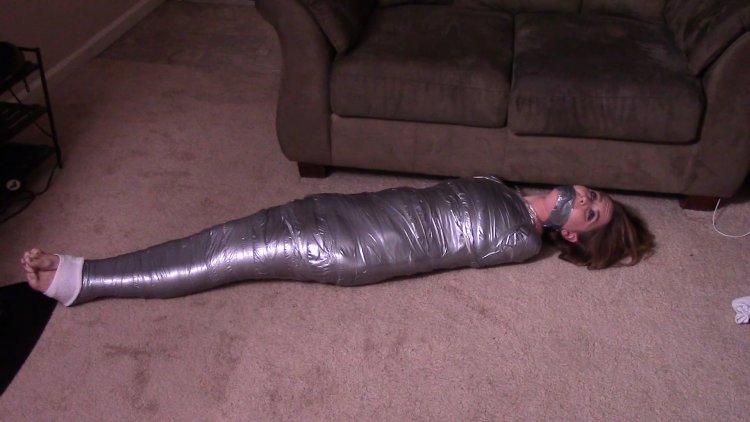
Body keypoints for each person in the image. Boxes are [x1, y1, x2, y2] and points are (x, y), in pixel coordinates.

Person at [20, 176, 654, 307]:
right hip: (343, 210)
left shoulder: (520, 237)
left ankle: (82, 279)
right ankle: (85, 273)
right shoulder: (509, 194)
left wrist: (547, 223)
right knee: (220, 238)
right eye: (595, 195)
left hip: (348, 248)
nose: (587, 197)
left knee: (223, 256)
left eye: (592, 212)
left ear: (573, 233)